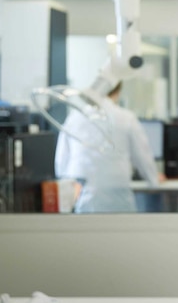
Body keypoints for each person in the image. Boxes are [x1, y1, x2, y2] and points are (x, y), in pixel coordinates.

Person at [54, 81, 161, 213]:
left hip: (84, 203)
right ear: (118, 92)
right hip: (118, 201)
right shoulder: (126, 118)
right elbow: (143, 157)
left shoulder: (74, 117)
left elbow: (61, 165)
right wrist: (153, 179)